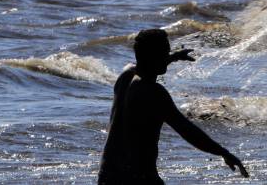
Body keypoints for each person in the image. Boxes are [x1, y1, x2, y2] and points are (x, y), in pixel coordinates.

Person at [98, 28, 249, 184]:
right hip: (137, 178)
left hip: (107, 176)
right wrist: (224, 153)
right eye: (164, 52)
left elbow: (145, 64)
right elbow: (187, 130)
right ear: (152, 56)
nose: (166, 56)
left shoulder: (125, 76)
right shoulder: (154, 93)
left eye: (167, 52)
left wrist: (173, 58)